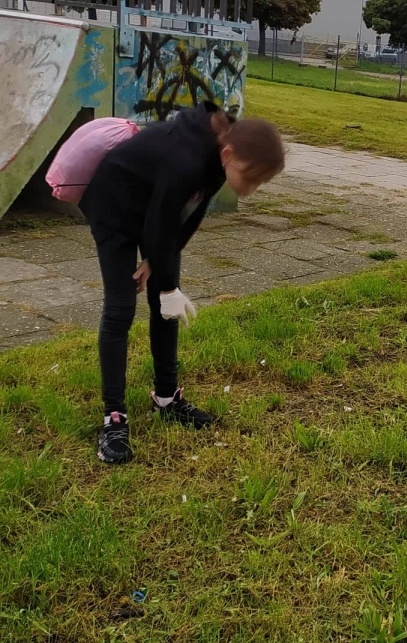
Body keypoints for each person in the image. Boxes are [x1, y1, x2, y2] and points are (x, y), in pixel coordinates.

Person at [79, 103, 286, 465]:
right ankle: (114, 417)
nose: (251, 190)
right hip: (113, 205)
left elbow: (189, 214)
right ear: (228, 154)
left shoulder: (219, 153)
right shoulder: (187, 158)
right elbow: (162, 218)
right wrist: (165, 282)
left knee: (166, 306)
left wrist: (158, 265)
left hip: (151, 206)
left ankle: (166, 398)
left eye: (260, 183)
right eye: (250, 178)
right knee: (121, 306)